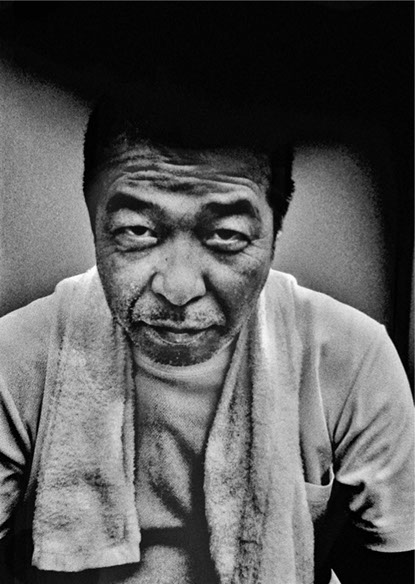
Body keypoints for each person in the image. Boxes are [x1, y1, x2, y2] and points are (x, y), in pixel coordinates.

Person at [0, 88, 413, 584]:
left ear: (274, 233)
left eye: (226, 235)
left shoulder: (351, 359)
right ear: (94, 218)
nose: (178, 289)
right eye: (137, 230)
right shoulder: (17, 358)